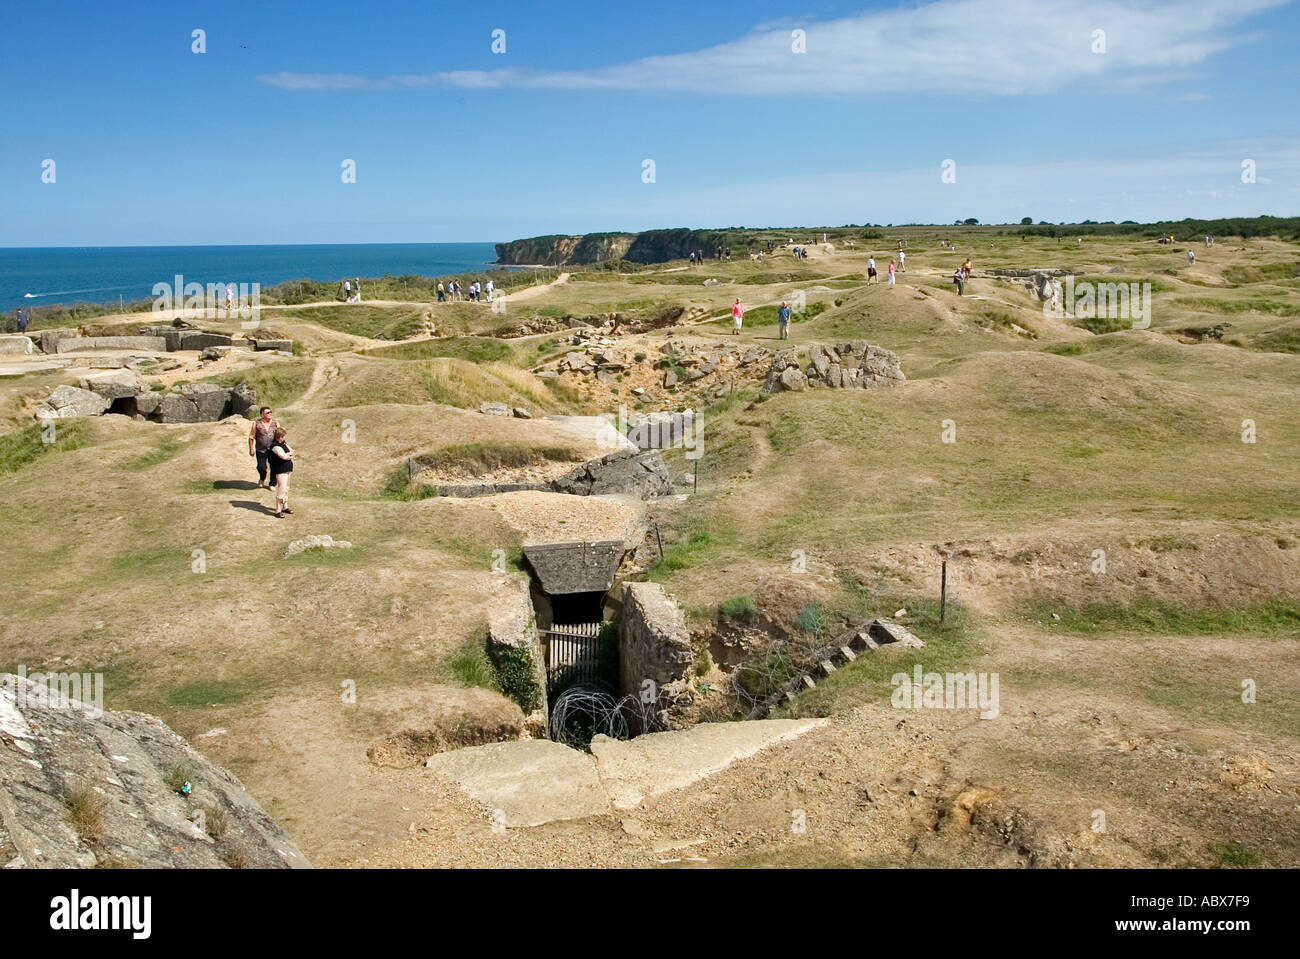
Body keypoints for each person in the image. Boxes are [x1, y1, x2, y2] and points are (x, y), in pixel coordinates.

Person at [248, 406, 280, 488]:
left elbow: (280, 436)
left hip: (273, 450)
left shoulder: (275, 424)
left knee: (274, 467)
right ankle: (262, 478)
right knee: (261, 467)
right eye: (267, 412)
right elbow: (251, 437)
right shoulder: (256, 424)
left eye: (270, 412)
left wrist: (282, 448)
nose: (270, 414)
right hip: (260, 450)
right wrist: (251, 449)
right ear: (262, 415)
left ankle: (272, 484)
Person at [268, 427, 294, 518]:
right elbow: (283, 456)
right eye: (282, 436)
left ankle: (285, 506)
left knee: (286, 488)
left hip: (287, 468)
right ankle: (278, 510)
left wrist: (288, 455)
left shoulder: (283, 444)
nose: (284, 438)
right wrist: (289, 456)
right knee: (281, 489)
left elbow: (292, 451)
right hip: (280, 469)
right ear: (278, 436)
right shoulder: (274, 445)